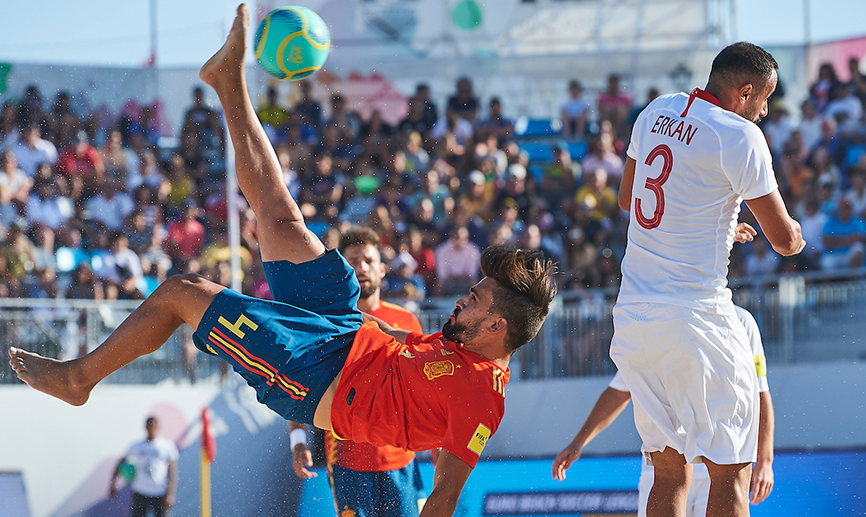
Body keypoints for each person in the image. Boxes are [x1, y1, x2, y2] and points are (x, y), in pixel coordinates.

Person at [8, 7, 558, 517]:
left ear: (496, 326)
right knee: (279, 215)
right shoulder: (452, 341)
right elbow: (402, 353)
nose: (464, 298)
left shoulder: (484, 401)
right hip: (345, 328)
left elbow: (444, 495)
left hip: (318, 378)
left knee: (181, 292)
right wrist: (374, 325)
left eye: (476, 300)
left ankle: (79, 378)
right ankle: (229, 81)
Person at [613, 42, 803, 517]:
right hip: (696, 319)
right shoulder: (740, 136)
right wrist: (797, 237)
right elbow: (781, 239)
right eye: (764, 98)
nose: (764, 110)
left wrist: (714, 224)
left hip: (634, 317)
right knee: (729, 472)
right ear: (745, 91)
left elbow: (627, 200)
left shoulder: (656, 110)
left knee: (669, 472)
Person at [553, 306, 775, 516]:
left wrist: (765, 461)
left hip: (714, 469)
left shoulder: (740, 321)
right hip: (665, 468)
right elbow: (619, 391)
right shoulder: (657, 320)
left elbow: (760, 392)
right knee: (671, 480)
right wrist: (578, 442)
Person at [290, 226, 427, 517]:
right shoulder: (327, 324)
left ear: (382, 268)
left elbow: (423, 390)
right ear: (343, 271)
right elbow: (301, 383)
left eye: (367, 260)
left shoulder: (407, 322)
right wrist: (298, 440)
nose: (361, 268)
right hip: (347, 460)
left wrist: (439, 441)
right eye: (352, 261)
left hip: (401, 457)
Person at [109, 416, 179, 517]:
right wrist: (112, 484)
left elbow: (172, 471)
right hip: (140, 491)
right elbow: (120, 463)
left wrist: (170, 494)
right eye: (149, 426)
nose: (151, 429)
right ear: (145, 428)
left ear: (158, 428)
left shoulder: (167, 446)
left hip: (159, 492)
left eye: (154, 427)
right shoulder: (137, 445)